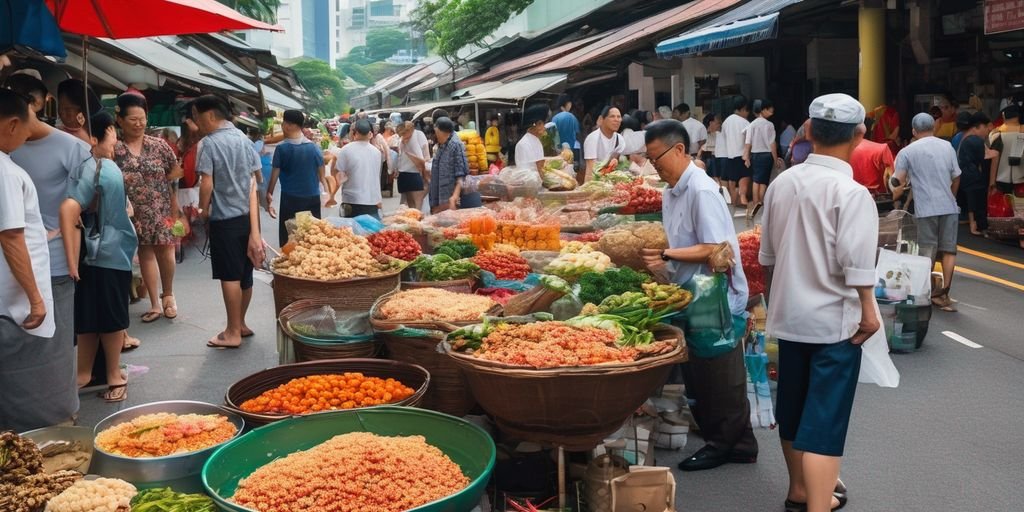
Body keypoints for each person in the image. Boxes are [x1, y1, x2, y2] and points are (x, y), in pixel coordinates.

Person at [759, 93, 879, 512]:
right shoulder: (852, 193)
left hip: (789, 318)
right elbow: (858, 266)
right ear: (860, 135)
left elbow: (768, 258)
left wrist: (775, 305)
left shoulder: (782, 183)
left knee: (791, 408)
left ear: (807, 130)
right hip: (834, 323)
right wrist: (869, 311)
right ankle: (818, 504)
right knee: (824, 422)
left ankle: (797, 491)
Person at [638, 119, 757, 473]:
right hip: (691, 292)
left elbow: (715, 248)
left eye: (657, 158)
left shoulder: (701, 190)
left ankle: (723, 444)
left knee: (721, 374)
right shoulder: (671, 191)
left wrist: (667, 255)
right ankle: (740, 442)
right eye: (649, 159)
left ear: (678, 150)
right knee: (703, 373)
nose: (654, 165)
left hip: (714, 294)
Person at [8, 74, 89, 391]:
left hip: (53, 262)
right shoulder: (6, 148)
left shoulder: (72, 147)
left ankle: (59, 410)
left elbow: (91, 201)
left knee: (55, 343)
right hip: (10, 265)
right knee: (20, 344)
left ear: (33, 105)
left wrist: (66, 231)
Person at [0, 88, 70, 432]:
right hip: (14, 307)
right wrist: (36, 298)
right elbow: (11, 236)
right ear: (12, 124)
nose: (26, 140)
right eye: (27, 133)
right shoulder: (4, 172)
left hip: (10, 301)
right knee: (29, 397)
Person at [59, 112, 138, 402]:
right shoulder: (101, 168)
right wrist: (70, 260)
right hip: (109, 253)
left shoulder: (91, 168)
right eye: (113, 133)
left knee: (89, 317)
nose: (116, 138)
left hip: (95, 254)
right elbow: (70, 210)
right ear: (100, 137)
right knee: (112, 319)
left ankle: (84, 374)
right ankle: (114, 375)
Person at [193, 95, 264, 349]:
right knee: (245, 275)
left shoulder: (209, 144)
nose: (197, 123)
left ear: (210, 115)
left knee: (229, 277)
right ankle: (241, 324)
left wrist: (202, 209)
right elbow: (256, 178)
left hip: (224, 219)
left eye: (198, 117)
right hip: (247, 218)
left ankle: (232, 332)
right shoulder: (245, 140)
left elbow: (207, 182)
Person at [113, 93, 183, 323]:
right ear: (120, 120)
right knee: (145, 254)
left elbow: (175, 172)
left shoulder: (159, 145)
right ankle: (154, 303)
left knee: (167, 251)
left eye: (142, 118)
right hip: (135, 212)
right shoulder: (116, 150)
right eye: (133, 119)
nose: (139, 123)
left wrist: (174, 204)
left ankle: (169, 295)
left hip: (162, 208)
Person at [892, 113, 962, 312]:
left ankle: (924, 293)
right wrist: (952, 197)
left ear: (914, 131)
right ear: (934, 127)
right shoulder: (947, 146)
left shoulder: (907, 151)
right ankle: (944, 293)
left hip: (926, 209)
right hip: (949, 206)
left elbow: (899, 180)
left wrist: (894, 188)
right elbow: (956, 176)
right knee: (949, 250)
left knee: (927, 251)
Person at [266, 110, 327, 246]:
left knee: (290, 237)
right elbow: (322, 176)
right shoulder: (314, 148)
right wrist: (325, 194)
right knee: (312, 237)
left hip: (290, 200)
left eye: (283, 123)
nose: (282, 125)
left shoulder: (282, 149)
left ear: (288, 125)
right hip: (312, 199)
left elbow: (274, 175)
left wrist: (268, 194)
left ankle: (289, 263)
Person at [336, 119, 384, 219]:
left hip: (352, 200)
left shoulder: (346, 150)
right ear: (370, 134)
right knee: (371, 233)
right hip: (372, 200)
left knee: (352, 232)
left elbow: (339, 174)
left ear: (355, 133)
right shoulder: (377, 152)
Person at [430, 117, 479, 212]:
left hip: (450, 200)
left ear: (443, 132)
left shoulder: (456, 145)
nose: (435, 135)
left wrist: (455, 196)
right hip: (440, 199)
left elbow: (461, 174)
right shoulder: (442, 145)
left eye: (437, 132)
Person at [958, 112, 993, 235]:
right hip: (974, 176)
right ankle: (978, 226)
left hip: (965, 176)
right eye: (985, 128)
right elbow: (985, 158)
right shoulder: (975, 140)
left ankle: (974, 225)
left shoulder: (965, 138)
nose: (987, 131)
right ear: (977, 127)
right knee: (978, 202)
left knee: (972, 201)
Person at [743, 99, 777, 218]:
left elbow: (748, 142)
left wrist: (746, 156)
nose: (771, 114)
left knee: (756, 180)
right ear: (763, 110)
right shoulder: (769, 125)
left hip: (755, 155)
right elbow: (772, 144)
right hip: (766, 155)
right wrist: (776, 158)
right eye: (770, 111)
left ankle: (755, 204)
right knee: (763, 182)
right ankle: (760, 204)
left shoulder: (751, 124)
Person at [721, 97, 752, 208]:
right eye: (747, 111)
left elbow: (724, 138)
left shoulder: (726, 122)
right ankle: (743, 200)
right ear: (743, 109)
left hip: (730, 156)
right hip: (743, 156)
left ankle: (734, 205)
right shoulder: (745, 123)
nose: (747, 113)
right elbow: (749, 141)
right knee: (744, 178)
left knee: (732, 183)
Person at [393, 121, 430, 211]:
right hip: (407, 174)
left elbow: (425, 156)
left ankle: (417, 222)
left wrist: (425, 173)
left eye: (402, 134)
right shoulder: (404, 140)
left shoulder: (416, 138)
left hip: (414, 174)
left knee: (415, 204)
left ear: (409, 131)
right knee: (412, 204)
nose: (401, 136)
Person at [989, 105, 1024, 196]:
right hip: (1021, 179)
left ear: (1004, 116)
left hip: (1003, 180)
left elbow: (994, 159)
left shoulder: (997, 134)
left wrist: (992, 183)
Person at [583, 106, 625, 180]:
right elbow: (590, 171)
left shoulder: (620, 139)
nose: (616, 120)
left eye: (619, 117)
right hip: (595, 182)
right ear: (602, 119)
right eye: (612, 116)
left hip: (610, 182)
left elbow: (616, 165)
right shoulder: (593, 138)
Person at [516, 104, 550, 178]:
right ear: (538, 124)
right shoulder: (524, 144)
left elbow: (541, 166)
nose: (545, 127)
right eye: (544, 124)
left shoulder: (536, 140)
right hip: (530, 186)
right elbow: (526, 175)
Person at [552, 95, 580, 168]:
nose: (571, 105)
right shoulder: (571, 116)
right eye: (570, 103)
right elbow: (577, 133)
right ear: (566, 103)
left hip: (556, 151)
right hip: (569, 151)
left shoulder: (554, 115)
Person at [701, 113, 723, 185]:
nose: (719, 125)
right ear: (711, 123)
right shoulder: (704, 133)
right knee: (715, 178)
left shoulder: (719, 134)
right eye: (717, 123)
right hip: (710, 157)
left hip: (715, 157)